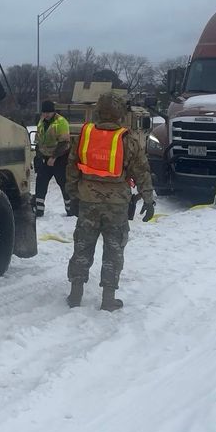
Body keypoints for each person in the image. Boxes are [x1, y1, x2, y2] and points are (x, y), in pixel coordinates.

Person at [65, 92, 155, 311]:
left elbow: (71, 169)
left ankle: (75, 294)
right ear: (119, 114)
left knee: (82, 246)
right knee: (113, 249)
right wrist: (148, 200)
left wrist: (73, 196)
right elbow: (142, 172)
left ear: (98, 111)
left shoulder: (85, 135)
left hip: (87, 201)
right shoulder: (128, 139)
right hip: (117, 205)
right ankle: (108, 299)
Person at [33, 100, 72, 217]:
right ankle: (39, 210)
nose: (46, 115)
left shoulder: (61, 122)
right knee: (40, 183)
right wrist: (38, 156)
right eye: (44, 112)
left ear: (53, 112)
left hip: (59, 158)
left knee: (63, 183)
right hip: (45, 158)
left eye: (48, 112)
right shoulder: (41, 121)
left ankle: (71, 210)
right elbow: (39, 141)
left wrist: (54, 157)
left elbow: (64, 143)